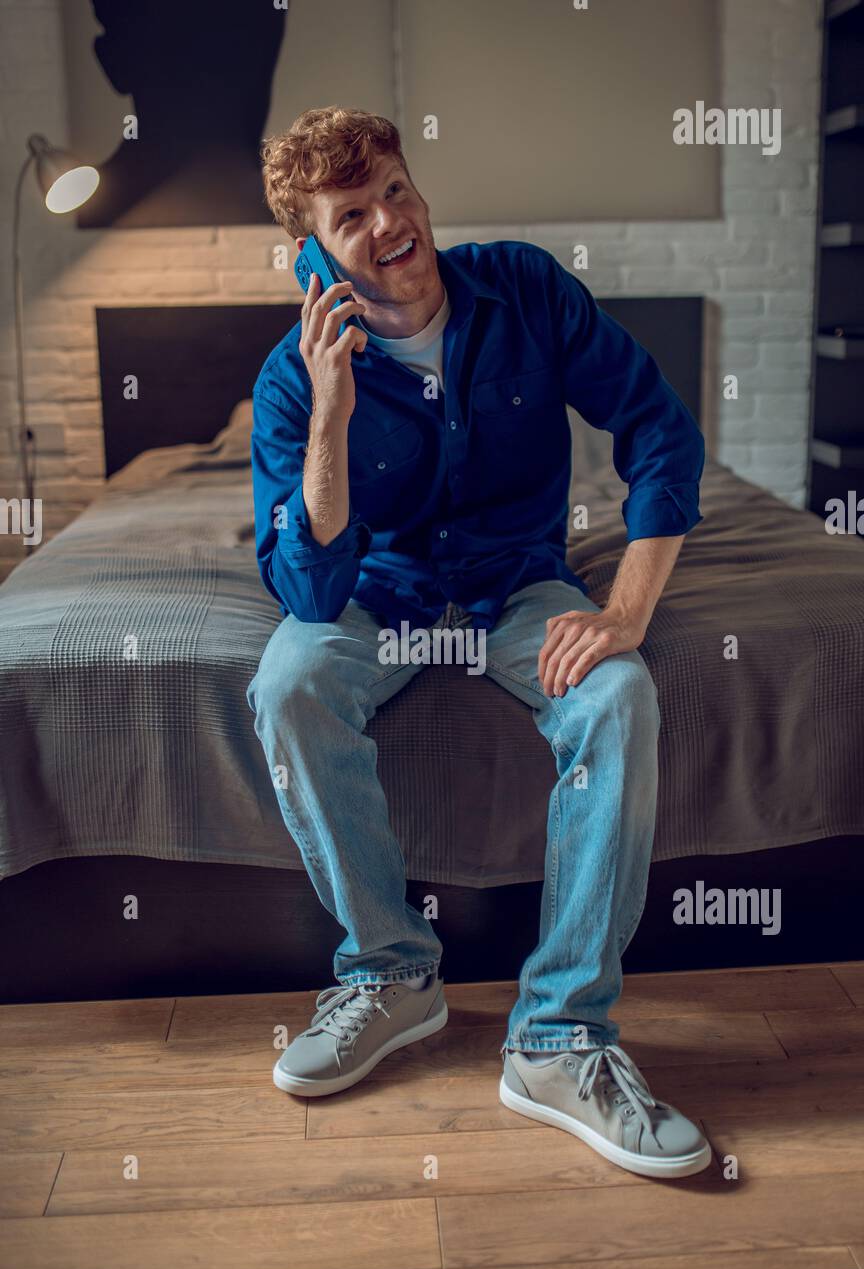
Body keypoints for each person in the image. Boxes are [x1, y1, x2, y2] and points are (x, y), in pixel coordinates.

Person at [246, 107, 711, 1180]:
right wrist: (329, 412)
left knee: (619, 694)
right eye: (350, 216)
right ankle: (390, 973)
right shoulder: (287, 377)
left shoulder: (527, 290)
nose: (389, 223)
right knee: (289, 683)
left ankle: (559, 1037)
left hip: (518, 579)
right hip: (383, 591)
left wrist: (629, 609)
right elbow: (310, 590)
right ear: (312, 251)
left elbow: (659, 429)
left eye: (397, 191)